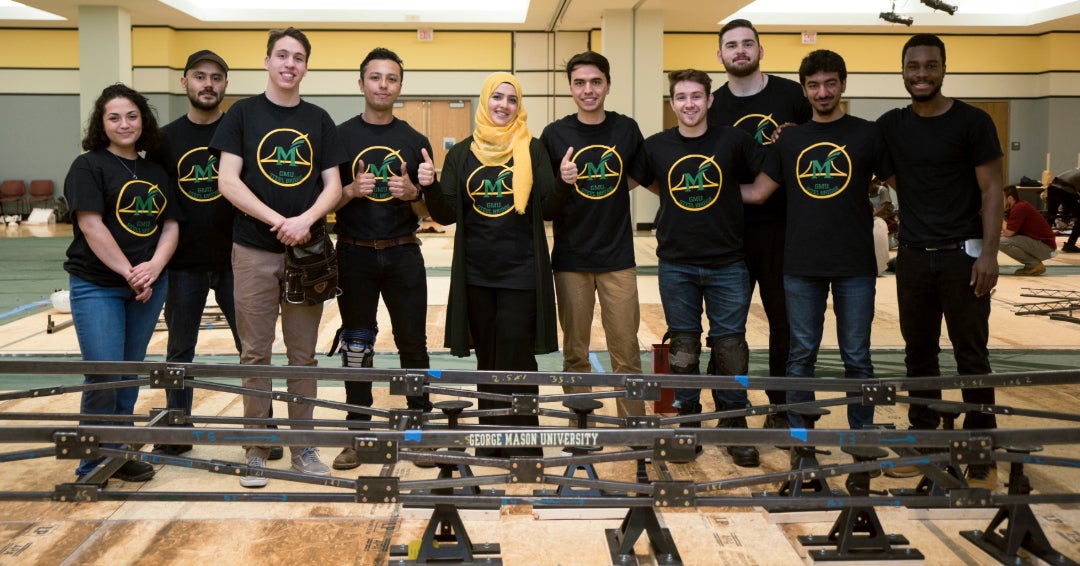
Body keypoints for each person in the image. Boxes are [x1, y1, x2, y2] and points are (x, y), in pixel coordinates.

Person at [211, 27, 347, 487]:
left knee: (303, 356)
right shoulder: (242, 114)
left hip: (306, 255)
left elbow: (332, 185)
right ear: (267, 61)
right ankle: (255, 447)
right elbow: (228, 181)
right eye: (283, 55)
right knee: (255, 354)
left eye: (299, 57)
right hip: (253, 250)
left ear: (306, 66)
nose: (291, 64)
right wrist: (280, 221)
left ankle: (304, 447)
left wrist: (304, 220)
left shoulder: (319, 119)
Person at [742, 50, 891, 446]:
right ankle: (800, 438)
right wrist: (692, 188)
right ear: (804, 89)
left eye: (829, 83)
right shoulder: (790, 138)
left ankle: (863, 436)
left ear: (843, 83)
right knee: (800, 355)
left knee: (857, 356)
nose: (822, 92)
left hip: (855, 264)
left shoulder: (867, 133)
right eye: (813, 85)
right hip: (801, 265)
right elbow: (758, 192)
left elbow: (902, 182)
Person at [877, 33, 1003, 490]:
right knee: (919, 356)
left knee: (972, 357)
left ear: (944, 69)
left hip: (963, 257)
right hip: (912, 257)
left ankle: (980, 445)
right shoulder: (892, 124)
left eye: (930, 66)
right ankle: (927, 442)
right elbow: (873, 163)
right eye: (914, 67)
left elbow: (992, 189)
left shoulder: (973, 121)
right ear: (903, 71)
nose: (922, 74)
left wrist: (989, 253)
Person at [638, 69, 779, 468]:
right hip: (676, 263)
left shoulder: (733, 140)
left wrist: (738, 195)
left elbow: (768, 177)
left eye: (696, 96)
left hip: (728, 262)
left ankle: (734, 424)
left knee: (730, 346)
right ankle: (687, 421)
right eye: (681, 97)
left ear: (710, 100)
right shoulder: (656, 146)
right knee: (682, 346)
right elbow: (655, 182)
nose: (689, 104)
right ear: (672, 103)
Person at [418, 72, 556, 458]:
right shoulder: (462, 153)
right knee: (488, 358)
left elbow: (551, 204)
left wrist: (563, 182)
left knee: (517, 354)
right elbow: (445, 216)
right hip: (477, 273)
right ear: (485, 101)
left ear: (519, 105)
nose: (504, 105)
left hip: (521, 271)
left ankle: (525, 442)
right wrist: (429, 184)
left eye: (512, 99)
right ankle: (492, 441)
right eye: (497, 97)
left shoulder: (533, 149)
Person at [63, 83, 179, 482]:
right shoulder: (88, 166)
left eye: (131, 116)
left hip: (147, 285)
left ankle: (119, 452)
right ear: (102, 123)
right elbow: (91, 226)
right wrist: (130, 273)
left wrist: (153, 268)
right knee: (104, 373)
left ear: (143, 120)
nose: (124, 124)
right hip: (99, 285)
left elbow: (170, 226)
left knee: (129, 374)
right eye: (114, 117)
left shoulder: (154, 170)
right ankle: (91, 463)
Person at [330, 47, 434, 470]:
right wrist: (350, 192)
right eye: (375, 78)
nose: (383, 85)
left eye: (391, 79)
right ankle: (359, 434)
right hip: (353, 252)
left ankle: (419, 431)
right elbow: (324, 200)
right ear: (361, 84)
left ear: (400, 87)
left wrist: (415, 195)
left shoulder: (415, 140)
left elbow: (428, 213)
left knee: (413, 343)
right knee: (356, 345)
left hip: (403, 252)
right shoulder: (338, 138)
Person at [149, 50, 255, 457]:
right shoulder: (164, 140)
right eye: (199, 77)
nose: (207, 84)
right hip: (182, 264)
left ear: (225, 85)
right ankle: (177, 427)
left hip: (236, 258)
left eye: (216, 78)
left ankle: (261, 427)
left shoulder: (240, 131)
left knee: (252, 349)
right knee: (179, 349)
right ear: (185, 83)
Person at [708, 19, 812, 431]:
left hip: (784, 229)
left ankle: (781, 407)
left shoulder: (792, 96)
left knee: (784, 323)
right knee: (725, 330)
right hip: (728, 232)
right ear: (720, 55)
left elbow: (816, 142)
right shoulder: (712, 104)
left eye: (747, 44)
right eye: (731, 45)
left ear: (760, 50)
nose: (740, 51)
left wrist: (796, 138)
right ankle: (730, 410)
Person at [539, 51, 646, 419]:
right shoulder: (555, 134)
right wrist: (563, 183)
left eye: (596, 82)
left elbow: (640, 173)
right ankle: (580, 421)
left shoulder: (626, 128)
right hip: (571, 259)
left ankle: (633, 424)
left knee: (627, 350)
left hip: (617, 257)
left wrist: (612, 188)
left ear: (608, 85)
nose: (588, 90)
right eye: (580, 82)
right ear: (570, 88)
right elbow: (547, 198)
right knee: (575, 351)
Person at [1002, 185, 1057, 275]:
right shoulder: (1017, 207)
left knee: (1000, 241)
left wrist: (1000, 216)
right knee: (1000, 239)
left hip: (1046, 247)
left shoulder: (1019, 208)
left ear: (1010, 198)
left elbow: (1008, 233)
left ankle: (1034, 264)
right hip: (1041, 244)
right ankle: (1032, 264)